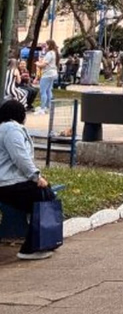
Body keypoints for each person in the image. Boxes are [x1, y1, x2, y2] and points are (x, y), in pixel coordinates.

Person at [0, 99, 58, 259]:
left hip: (8, 181)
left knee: (45, 193)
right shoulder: (11, 129)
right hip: (7, 183)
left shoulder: (5, 128)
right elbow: (20, 157)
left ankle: (45, 241)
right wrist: (36, 177)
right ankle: (31, 248)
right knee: (44, 196)